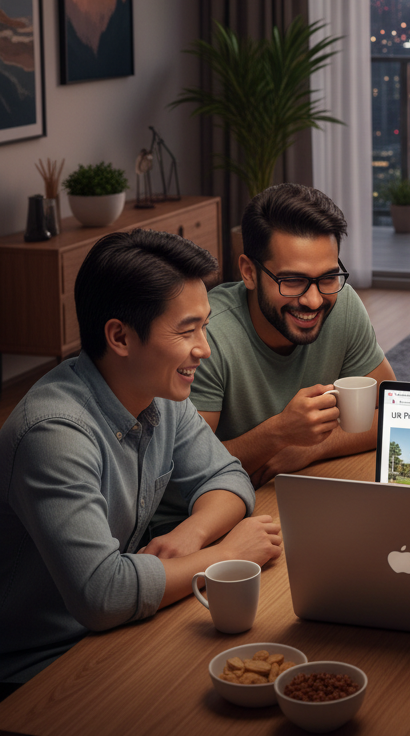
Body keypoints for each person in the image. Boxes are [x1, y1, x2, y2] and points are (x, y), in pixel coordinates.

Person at [0, 230, 281, 689]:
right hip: (37, 668)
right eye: (187, 330)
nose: (204, 348)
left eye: (205, 326)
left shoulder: (158, 391)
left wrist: (193, 533)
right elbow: (102, 593)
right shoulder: (52, 434)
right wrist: (225, 555)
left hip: (115, 632)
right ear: (120, 336)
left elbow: (228, 477)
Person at [155, 184, 395, 527]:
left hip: (292, 496)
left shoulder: (342, 306)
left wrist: (313, 447)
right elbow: (181, 474)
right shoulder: (207, 339)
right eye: (293, 281)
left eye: (327, 278)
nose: (314, 301)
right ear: (249, 272)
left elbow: (392, 414)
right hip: (200, 523)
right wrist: (279, 433)